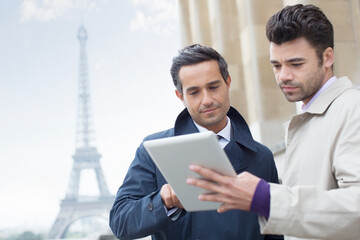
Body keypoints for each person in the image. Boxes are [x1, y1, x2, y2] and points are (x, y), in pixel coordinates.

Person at [186, 4, 360, 240]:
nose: (283, 76)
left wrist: (264, 198)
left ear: (327, 57)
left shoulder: (353, 108)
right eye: (276, 65)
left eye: (296, 64)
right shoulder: (309, 117)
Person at [109, 44, 283, 240]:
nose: (207, 100)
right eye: (194, 92)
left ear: (228, 82)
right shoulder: (152, 151)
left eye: (213, 87)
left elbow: (274, 231)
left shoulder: (262, 156)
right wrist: (163, 201)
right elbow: (120, 222)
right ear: (180, 96)